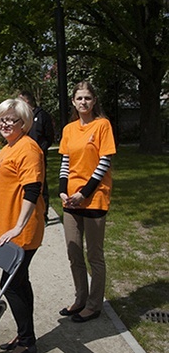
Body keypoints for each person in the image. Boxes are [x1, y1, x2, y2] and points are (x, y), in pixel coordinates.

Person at [0, 98, 45, 353]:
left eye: (11, 120)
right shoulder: (9, 146)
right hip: (8, 229)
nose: (5, 124)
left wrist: (18, 226)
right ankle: (25, 335)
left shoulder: (28, 148)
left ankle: (27, 342)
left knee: (9, 284)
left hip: (21, 231)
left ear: (24, 123)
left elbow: (32, 189)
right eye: (2, 119)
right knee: (20, 284)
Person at [58, 81, 117, 323]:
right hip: (71, 200)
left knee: (94, 255)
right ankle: (80, 298)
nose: (83, 102)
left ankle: (94, 305)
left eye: (88, 98)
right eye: (79, 98)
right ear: (73, 101)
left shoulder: (102, 125)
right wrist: (63, 191)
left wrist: (85, 192)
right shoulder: (69, 129)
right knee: (74, 252)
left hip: (94, 197)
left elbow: (105, 162)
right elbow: (65, 162)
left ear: (94, 102)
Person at [20, 90, 55, 222]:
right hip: (23, 156)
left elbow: (49, 136)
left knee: (41, 185)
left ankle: (43, 215)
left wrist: (40, 150)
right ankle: (28, 214)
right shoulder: (21, 117)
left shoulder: (42, 116)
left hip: (38, 156)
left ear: (28, 101)